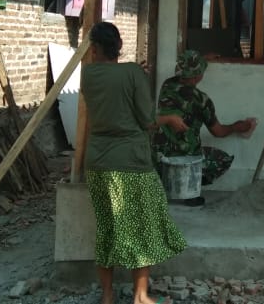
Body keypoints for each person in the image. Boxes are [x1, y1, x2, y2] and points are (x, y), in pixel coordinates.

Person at [77, 22, 187, 304]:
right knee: (144, 226)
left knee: (108, 227)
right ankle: (140, 295)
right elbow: (148, 121)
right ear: (119, 47)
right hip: (131, 162)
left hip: (99, 162)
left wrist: (134, 74)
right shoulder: (133, 73)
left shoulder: (87, 75)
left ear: (96, 48)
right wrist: (171, 119)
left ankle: (107, 295)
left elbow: (112, 88)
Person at [154, 49, 257, 206]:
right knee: (222, 159)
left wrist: (202, 60)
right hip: (186, 159)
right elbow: (218, 132)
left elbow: (189, 73)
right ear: (199, 77)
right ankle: (189, 191)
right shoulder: (202, 101)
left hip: (159, 159)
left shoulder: (167, 85)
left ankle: (162, 183)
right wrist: (237, 126)